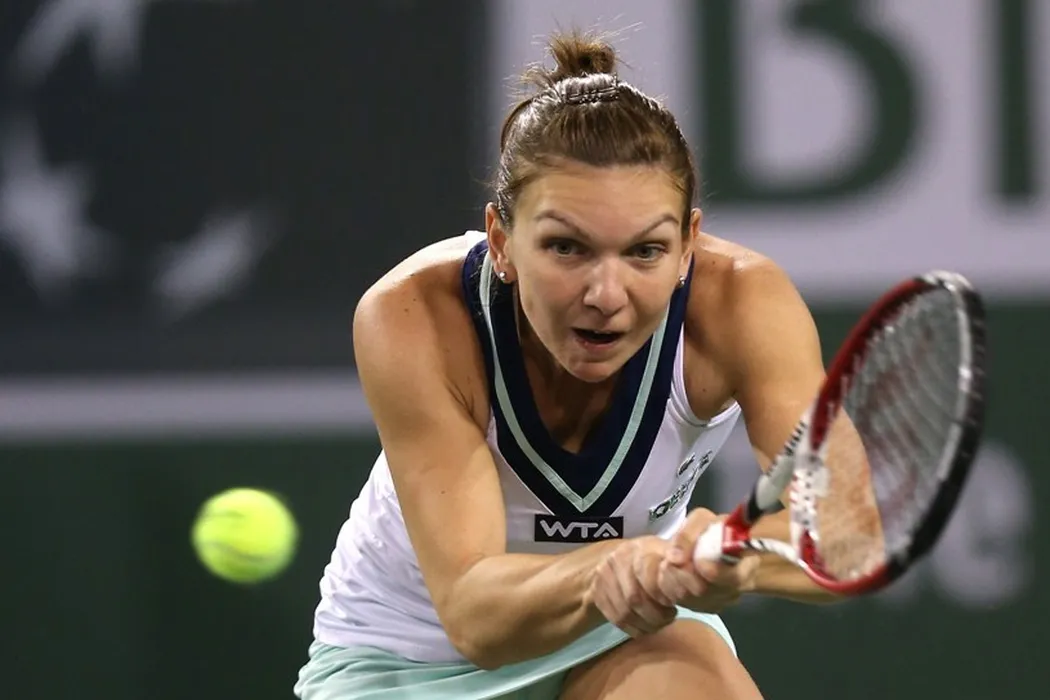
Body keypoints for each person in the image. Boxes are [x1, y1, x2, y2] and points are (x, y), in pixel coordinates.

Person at [295, 30, 841, 700]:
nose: (606, 295)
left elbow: (852, 533)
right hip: (410, 652)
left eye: (645, 251)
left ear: (687, 246)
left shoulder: (744, 306)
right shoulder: (413, 314)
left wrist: (743, 560)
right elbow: (475, 613)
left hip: (626, 634)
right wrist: (611, 566)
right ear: (501, 240)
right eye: (566, 248)